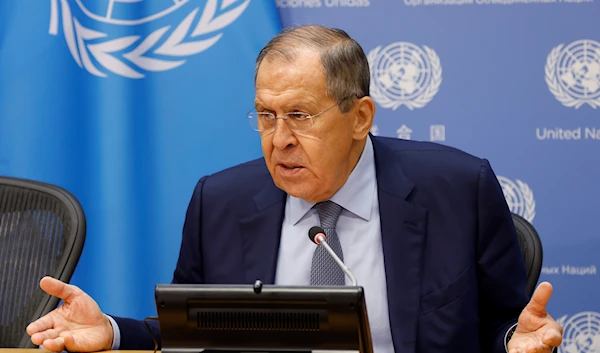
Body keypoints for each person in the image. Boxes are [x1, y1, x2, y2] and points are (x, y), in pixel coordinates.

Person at [26, 25, 562, 353]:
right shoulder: (221, 200)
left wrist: (518, 340)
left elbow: (502, 328)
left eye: (300, 116)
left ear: (360, 116)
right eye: (265, 116)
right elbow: (196, 333)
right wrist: (113, 333)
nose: (278, 140)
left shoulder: (457, 190)